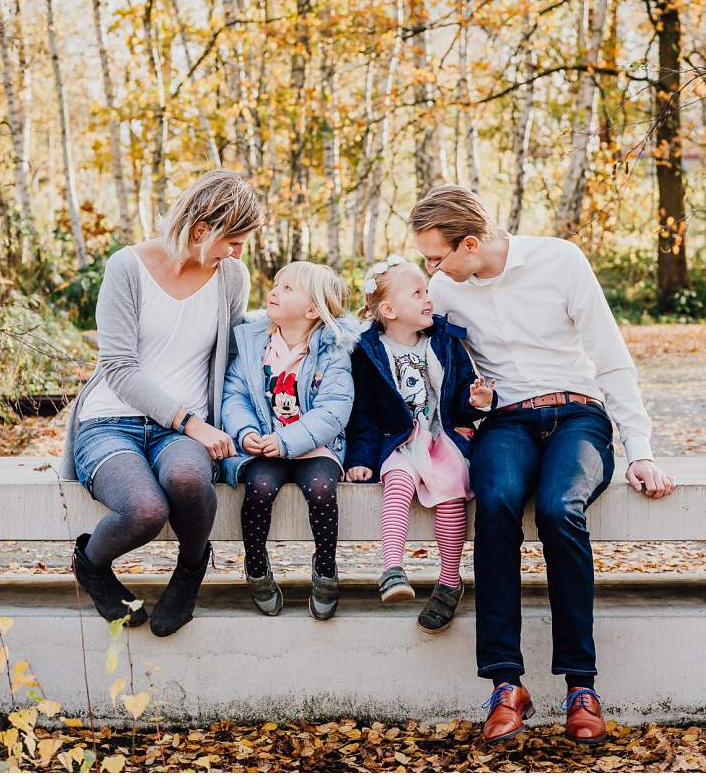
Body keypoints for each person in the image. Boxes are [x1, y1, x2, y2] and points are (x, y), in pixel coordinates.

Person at [411, 185, 676, 744]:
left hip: (579, 417)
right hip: (506, 423)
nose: (429, 269)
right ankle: (506, 684)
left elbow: (611, 358)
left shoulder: (560, 260)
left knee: (559, 509)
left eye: (437, 256)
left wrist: (641, 450)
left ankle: (582, 686)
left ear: (471, 243)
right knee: (500, 502)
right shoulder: (445, 289)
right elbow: (437, 376)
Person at [61, 170, 261, 637]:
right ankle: (91, 563)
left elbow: (232, 358)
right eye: (233, 241)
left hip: (180, 433)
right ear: (200, 231)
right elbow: (119, 368)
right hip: (111, 421)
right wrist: (192, 423)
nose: (239, 252)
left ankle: (190, 570)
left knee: (189, 480)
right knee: (145, 510)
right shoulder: (126, 267)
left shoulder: (232, 277)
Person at [345, 256, 495, 633]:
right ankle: (392, 569)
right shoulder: (367, 352)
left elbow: (459, 395)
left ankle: (449, 579)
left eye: (426, 291)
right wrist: (362, 458)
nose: (428, 299)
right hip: (398, 441)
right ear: (389, 309)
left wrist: (475, 403)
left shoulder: (444, 343)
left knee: (450, 493)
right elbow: (361, 413)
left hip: (441, 438)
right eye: (417, 293)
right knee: (397, 480)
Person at [220, 261, 357, 620]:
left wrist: (287, 441)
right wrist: (246, 432)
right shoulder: (255, 344)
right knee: (259, 486)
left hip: (316, 447)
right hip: (265, 442)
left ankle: (326, 568)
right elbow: (234, 394)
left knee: (322, 490)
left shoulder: (332, 352)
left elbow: (333, 410)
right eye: (276, 285)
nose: (274, 291)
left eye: (287, 288)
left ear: (312, 310)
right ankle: (256, 564)